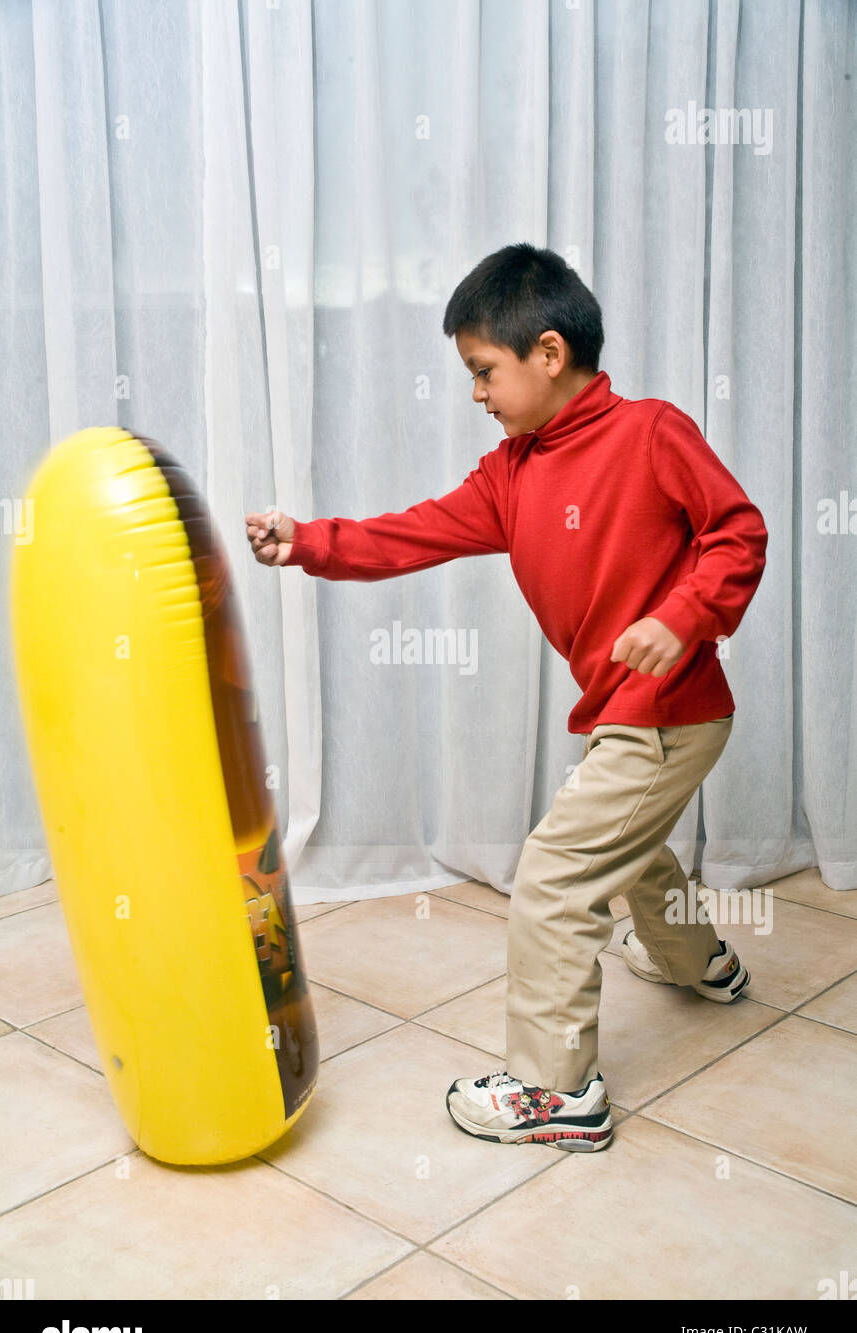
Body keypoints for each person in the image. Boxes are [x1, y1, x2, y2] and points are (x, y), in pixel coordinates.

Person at [244, 242, 768, 1153]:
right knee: (631, 852)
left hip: (671, 714)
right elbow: (411, 534)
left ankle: (556, 1093)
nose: (477, 395)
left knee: (556, 879)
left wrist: (684, 618)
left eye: (484, 372)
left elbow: (738, 532)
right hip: (626, 716)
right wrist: (310, 540)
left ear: (550, 354)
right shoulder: (512, 473)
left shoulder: (652, 433)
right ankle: (705, 964)